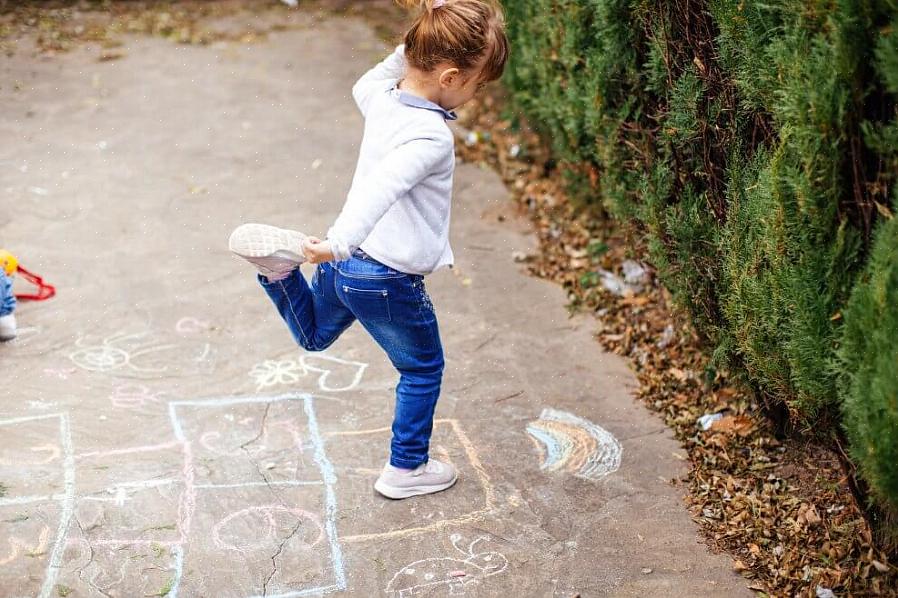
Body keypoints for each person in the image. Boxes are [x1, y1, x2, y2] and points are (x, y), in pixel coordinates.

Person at [229, 0, 508, 499]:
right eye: (475, 83)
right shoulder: (429, 136)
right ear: (448, 77)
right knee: (422, 369)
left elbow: (367, 82)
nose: (474, 94)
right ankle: (406, 469)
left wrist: (415, 42)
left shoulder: (385, 97)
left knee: (314, 336)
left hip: (350, 269)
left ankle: (279, 274)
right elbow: (380, 189)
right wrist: (336, 243)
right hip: (383, 276)